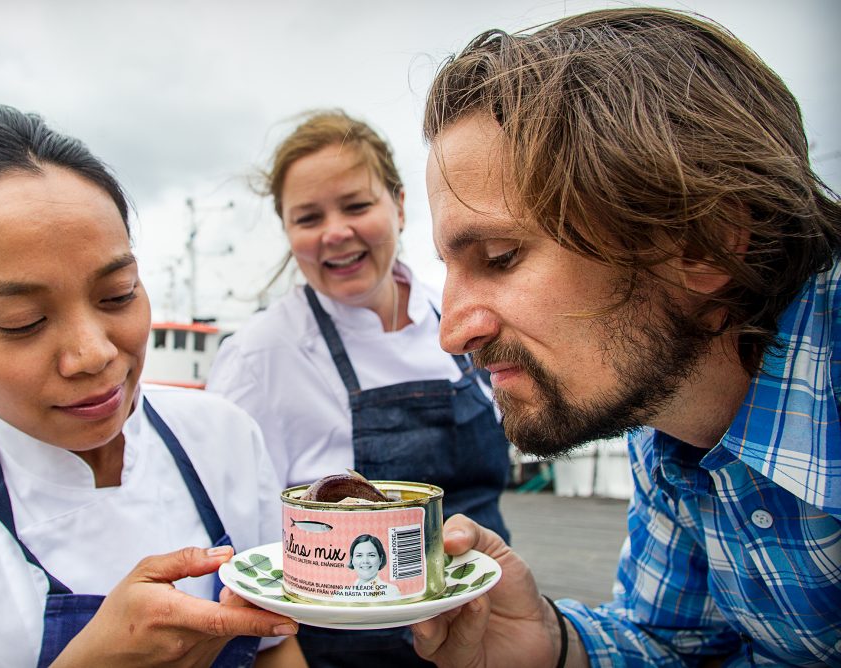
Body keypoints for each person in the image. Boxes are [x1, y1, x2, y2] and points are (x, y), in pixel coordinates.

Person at [411, 7, 840, 668]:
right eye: (449, 269)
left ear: (703, 241)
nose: (452, 332)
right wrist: (553, 646)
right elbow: (682, 646)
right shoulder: (670, 426)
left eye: (500, 257)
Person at [0, 105, 306, 668]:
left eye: (117, 294)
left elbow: (276, 646)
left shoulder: (223, 437)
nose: (94, 353)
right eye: (24, 321)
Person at [205, 108, 512, 667]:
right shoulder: (258, 358)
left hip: (491, 627)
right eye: (307, 217)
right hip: (347, 653)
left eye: (355, 205)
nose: (335, 232)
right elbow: (237, 540)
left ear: (397, 205)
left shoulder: (461, 317)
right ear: (286, 230)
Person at [337, 535, 401, 601]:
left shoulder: (391, 592)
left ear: (380, 559)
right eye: (359, 555)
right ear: (352, 559)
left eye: (371, 555)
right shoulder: (340, 595)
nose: (365, 561)